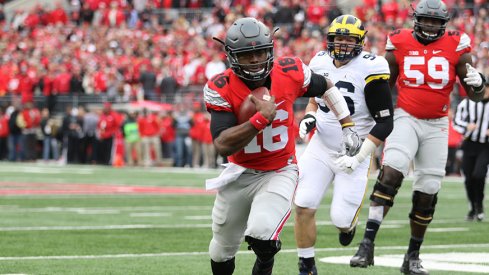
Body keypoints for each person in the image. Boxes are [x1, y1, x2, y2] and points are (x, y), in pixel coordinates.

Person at [204, 17, 361, 275]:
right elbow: (222, 144)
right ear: (232, 57)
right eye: (247, 55)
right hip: (240, 172)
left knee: (263, 234)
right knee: (221, 251)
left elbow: (326, 87)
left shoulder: (289, 71)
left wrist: (347, 123)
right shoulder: (220, 86)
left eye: (260, 52)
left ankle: (265, 261)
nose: (255, 59)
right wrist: (259, 120)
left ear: (270, 50)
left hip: (279, 169)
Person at [348, 0, 487, 274]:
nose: (432, 26)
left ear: (444, 24)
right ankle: (366, 244)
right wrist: (376, 118)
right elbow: (384, 85)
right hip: (406, 117)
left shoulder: (457, 45)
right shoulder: (398, 42)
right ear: (416, 19)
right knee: (390, 174)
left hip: (437, 124)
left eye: (437, 22)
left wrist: (479, 84)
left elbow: (475, 94)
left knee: (428, 192)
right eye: (428, 20)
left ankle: (412, 255)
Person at [293, 15, 394, 275]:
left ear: (360, 41)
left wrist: (359, 158)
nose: (343, 43)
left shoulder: (372, 67)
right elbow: (316, 98)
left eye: (349, 38)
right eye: (339, 37)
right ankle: (306, 266)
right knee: (303, 204)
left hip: (355, 150)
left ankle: (349, 226)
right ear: (330, 39)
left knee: (341, 220)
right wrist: (310, 115)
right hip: (321, 145)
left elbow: (385, 123)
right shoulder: (319, 61)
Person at [453, 86, 489, 222]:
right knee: (468, 178)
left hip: (486, 145)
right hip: (469, 143)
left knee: (479, 174)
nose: (485, 91)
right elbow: (456, 121)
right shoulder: (466, 103)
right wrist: (466, 126)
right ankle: (473, 207)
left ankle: (479, 205)